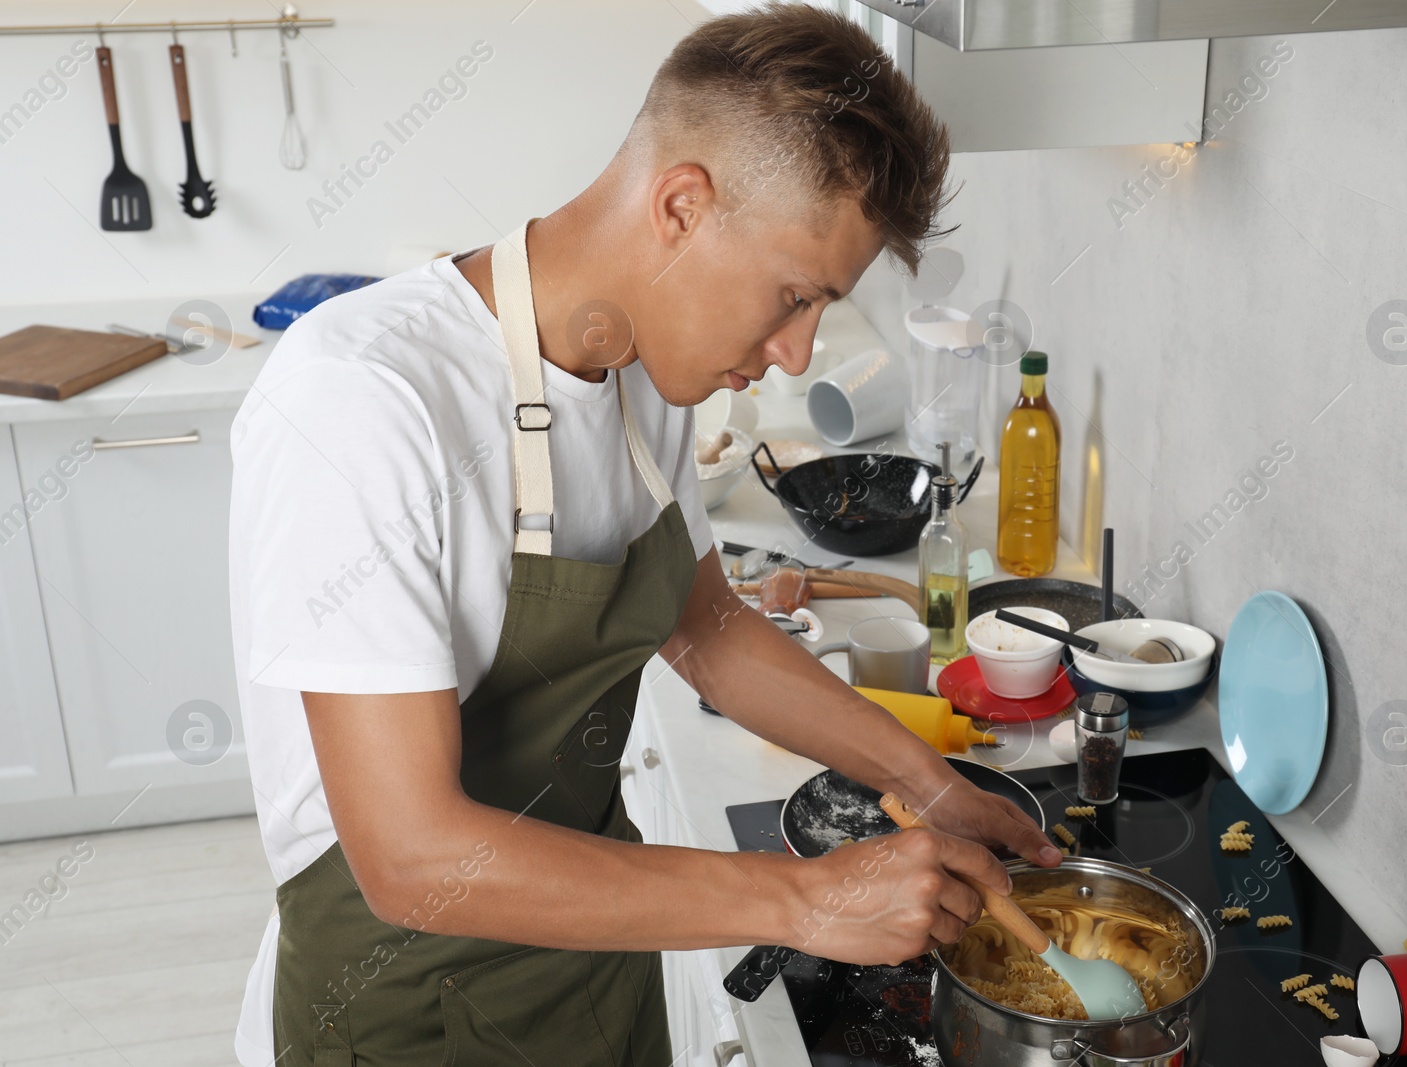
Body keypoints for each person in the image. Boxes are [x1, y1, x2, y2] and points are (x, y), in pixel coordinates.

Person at [228, 4, 1060, 1064]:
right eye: (793, 295)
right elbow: (411, 855)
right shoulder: (364, 400)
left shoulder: (642, 376)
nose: (800, 353)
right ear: (681, 206)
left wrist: (932, 783)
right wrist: (802, 899)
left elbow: (703, 623)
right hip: (399, 1004)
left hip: (592, 961)